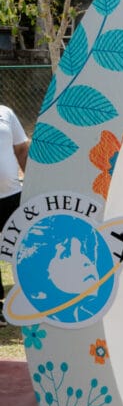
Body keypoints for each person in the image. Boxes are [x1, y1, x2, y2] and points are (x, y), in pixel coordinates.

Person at [0, 102, 29, 326]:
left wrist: (33, 183)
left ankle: (28, 298)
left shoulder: (6, 112)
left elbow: (21, 149)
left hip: (12, 196)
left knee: (23, 248)